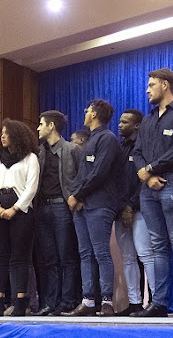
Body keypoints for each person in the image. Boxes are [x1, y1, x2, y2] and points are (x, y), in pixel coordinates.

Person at [132, 68, 173, 317]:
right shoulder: (148, 120)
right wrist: (147, 176)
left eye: (151, 84)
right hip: (148, 189)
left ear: (165, 85)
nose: (147, 89)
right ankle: (159, 302)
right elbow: (136, 153)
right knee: (157, 245)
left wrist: (151, 168)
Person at [62, 100, 121, 317]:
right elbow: (81, 175)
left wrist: (77, 195)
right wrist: (75, 197)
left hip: (100, 204)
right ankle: (88, 300)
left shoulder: (108, 139)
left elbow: (100, 172)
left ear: (94, 114)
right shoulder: (89, 141)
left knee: (101, 252)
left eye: (87, 111)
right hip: (83, 206)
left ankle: (107, 301)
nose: (85, 113)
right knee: (85, 253)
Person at [0, 119, 40, 316]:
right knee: (1, 257)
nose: (3, 136)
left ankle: (19, 302)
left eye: (7, 133)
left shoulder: (30, 158)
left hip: (21, 211)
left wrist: (14, 209)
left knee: (20, 258)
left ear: (17, 136)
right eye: (2, 133)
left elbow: (31, 187)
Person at [34, 110, 82, 316]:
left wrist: (77, 197)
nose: (38, 128)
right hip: (41, 207)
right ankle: (50, 302)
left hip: (62, 206)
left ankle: (68, 301)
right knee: (49, 259)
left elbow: (83, 177)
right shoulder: (38, 153)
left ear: (51, 126)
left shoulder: (72, 149)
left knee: (66, 256)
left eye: (41, 124)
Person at [115, 108, 154, 316]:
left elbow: (144, 180)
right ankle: (134, 302)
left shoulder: (144, 146)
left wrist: (130, 205)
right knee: (128, 257)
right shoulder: (120, 148)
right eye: (120, 122)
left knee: (145, 254)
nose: (120, 125)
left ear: (137, 125)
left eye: (124, 122)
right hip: (120, 210)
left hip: (140, 208)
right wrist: (122, 207)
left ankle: (157, 300)